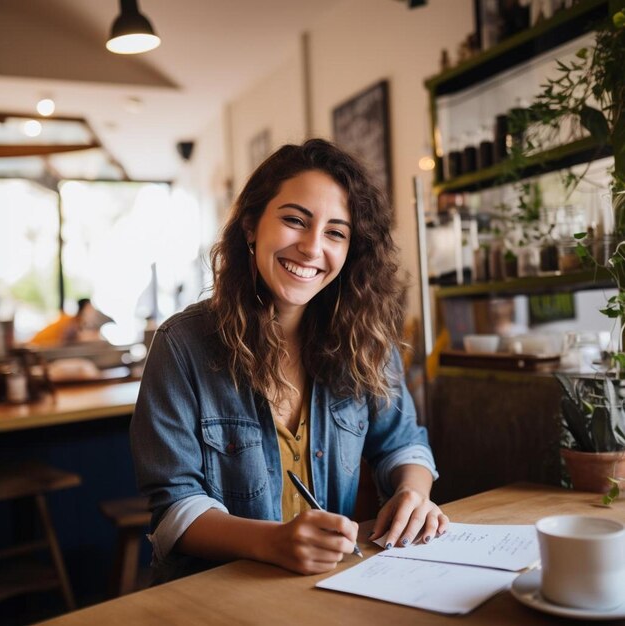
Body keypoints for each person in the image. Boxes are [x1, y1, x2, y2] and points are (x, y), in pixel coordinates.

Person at [130, 138, 448, 583]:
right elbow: (175, 511)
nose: (312, 247)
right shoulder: (182, 345)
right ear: (249, 226)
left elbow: (403, 442)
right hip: (214, 594)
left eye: (336, 232)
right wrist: (273, 542)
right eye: (295, 221)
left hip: (328, 587)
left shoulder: (366, 338)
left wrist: (414, 493)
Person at [28, 298, 105, 347]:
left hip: (41, 347)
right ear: (83, 309)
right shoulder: (70, 322)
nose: (92, 312)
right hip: (37, 346)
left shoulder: (77, 322)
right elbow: (71, 340)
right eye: (90, 309)